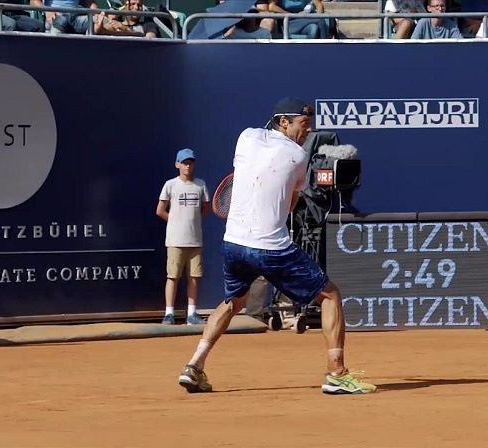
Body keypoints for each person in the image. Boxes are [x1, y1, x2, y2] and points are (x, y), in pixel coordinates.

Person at [177, 97, 376, 395]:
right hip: (269, 247)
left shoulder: (245, 137)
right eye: (303, 124)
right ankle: (337, 374)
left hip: (233, 243)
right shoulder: (297, 156)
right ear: (284, 121)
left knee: (234, 301)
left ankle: (195, 365)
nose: (307, 132)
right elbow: (291, 203)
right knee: (330, 295)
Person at [156, 148, 210, 326]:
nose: (188, 166)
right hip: (175, 240)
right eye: (184, 163)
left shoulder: (201, 185)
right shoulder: (170, 185)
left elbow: (205, 208)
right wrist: (174, 221)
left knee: (194, 277)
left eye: (191, 162)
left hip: (195, 240)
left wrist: (192, 222)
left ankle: (192, 314)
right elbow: (160, 211)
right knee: (173, 277)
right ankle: (169, 314)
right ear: (177, 165)